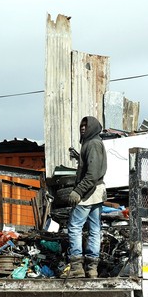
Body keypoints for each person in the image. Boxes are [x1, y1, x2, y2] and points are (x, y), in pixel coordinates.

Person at [65, 116, 107, 278]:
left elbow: (92, 174)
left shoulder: (93, 144)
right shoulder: (92, 143)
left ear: (93, 128)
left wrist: (78, 191)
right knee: (94, 229)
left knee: (75, 227)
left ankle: (76, 267)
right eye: (81, 125)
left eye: (86, 126)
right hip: (96, 192)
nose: (83, 128)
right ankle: (92, 268)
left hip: (89, 193)